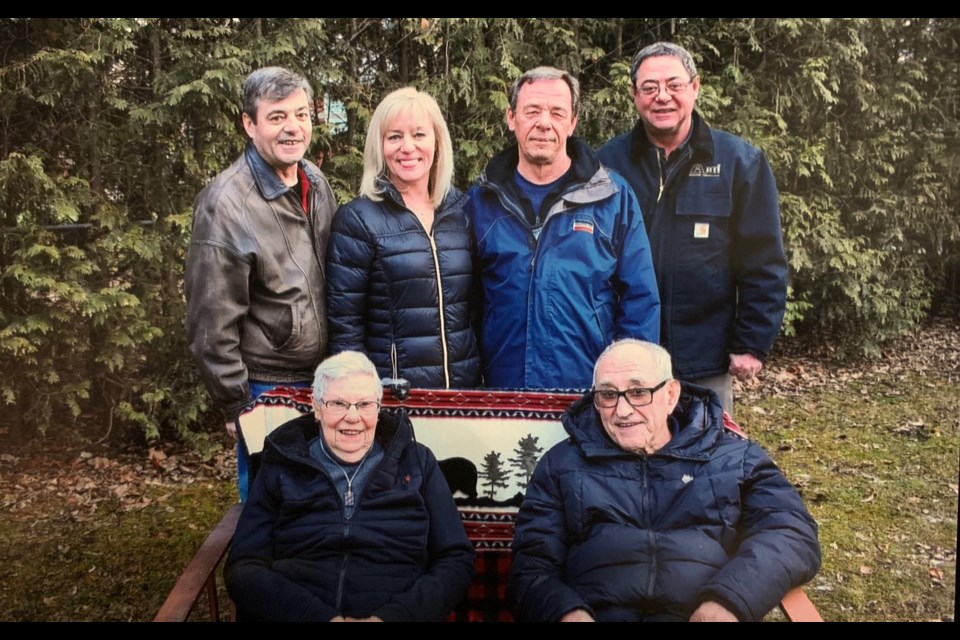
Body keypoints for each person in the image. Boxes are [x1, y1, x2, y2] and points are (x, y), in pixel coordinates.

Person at [509, 339, 820, 622]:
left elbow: (791, 532)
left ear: (671, 395)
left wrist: (730, 600)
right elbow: (532, 565)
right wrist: (566, 612)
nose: (623, 410)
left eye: (638, 392)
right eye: (607, 395)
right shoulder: (562, 465)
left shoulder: (734, 458)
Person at [598, 42, 788, 414]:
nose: (662, 97)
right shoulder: (606, 164)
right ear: (635, 95)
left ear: (695, 87)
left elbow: (763, 260)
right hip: (627, 355)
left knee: (708, 463)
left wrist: (751, 342)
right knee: (627, 464)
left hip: (706, 357)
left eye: (674, 85)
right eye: (649, 88)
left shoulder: (739, 162)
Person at [225, 351, 476, 621]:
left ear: (379, 408)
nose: (353, 417)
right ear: (316, 407)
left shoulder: (417, 462)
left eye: (365, 404)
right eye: (338, 404)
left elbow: (456, 559)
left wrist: (394, 617)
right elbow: (244, 567)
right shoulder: (281, 463)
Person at [185, 67, 336, 500]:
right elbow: (210, 318)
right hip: (266, 385)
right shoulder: (226, 203)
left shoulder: (316, 183)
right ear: (249, 125)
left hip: (322, 378)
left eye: (302, 114)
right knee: (271, 505)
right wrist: (235, 402)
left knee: (322, 502)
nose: (293, 127)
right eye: (277, 117)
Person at [467, 66, 660, 390]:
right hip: (502, 391)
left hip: (590, 391)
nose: (544, 122)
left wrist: (629, 387)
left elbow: (639, 299)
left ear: (572, 123)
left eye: (557, 112)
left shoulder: (612, 196)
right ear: (512, 118)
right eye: (532, 111)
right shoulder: (482, 200)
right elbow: (465, 302)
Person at [327, 87, 480, 388]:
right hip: (397, 397)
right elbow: (346, 325)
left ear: (437, 142)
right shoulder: (357, 219)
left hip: (464, 393)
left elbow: (475, 309)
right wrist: (360, 393)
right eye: (394, 136)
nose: (407, 147)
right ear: (379, 146)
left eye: (419, 135)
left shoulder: (462, 212)